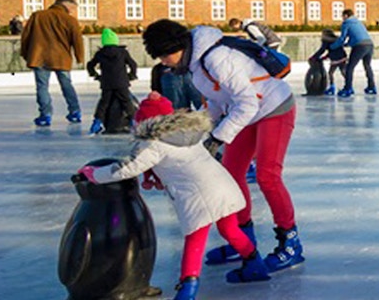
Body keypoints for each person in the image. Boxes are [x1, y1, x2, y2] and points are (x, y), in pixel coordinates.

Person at [142, 19, 305, 275]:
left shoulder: (217, 58)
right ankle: (241, 238)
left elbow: (247, 102)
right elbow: (218, 103)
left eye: (165, 54)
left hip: (274, 107)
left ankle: (291, 242)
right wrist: (199, 133)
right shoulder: (196, 67)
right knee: (231, 174)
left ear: (179, 46)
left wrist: (218, 138)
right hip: (244, 112)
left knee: (267, 176)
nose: (163, 61)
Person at [78, 92, 270, 299]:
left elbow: (128, 168)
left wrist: (95, 175)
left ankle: (187, 289)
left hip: (201, 197)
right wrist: (157, 177)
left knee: (195, 238)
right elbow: (180, 163)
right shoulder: (188, 133)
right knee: (230, 229)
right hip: (223, 186)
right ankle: (255, 264)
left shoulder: (153, 143)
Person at [20, 0, 84, 126]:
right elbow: (77, 40)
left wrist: (26, 53)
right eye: (72, 9)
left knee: (42, 86)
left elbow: (25, 36)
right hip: (61, 58)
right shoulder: (70, 20)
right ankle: (75, 112)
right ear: (67, 6)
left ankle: (45, 115)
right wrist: (79, 57)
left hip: (39, 57)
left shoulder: (37, 16)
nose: (72, 12)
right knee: (67, 85)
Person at [86, 29, 139, 135]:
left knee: (104, 104)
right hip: (121, 83)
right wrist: (131, 75)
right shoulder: (122, 52)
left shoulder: (100, 53)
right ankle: (134, 122)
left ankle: (96, 123)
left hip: (107, 83)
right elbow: (133, 64)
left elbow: (90, 65)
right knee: (126, 102)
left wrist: (95, 75)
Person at [330, 9, 376, 97]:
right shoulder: (359, 23)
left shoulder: (346, 23)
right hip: (369, 44)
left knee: (350, 67)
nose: (342, 18)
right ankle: (372, 87)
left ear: (346, 16)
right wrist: (348, 44)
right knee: (367, 66)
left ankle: (348, 88)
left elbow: (342, 38)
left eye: (342, 16)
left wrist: (333, 46)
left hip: (359, 46)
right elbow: (358, 35)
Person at [309, 29, 348, 95]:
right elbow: (334, 50)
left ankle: (332, 87)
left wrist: (314, 57)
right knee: (343, 71)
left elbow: (322, 50)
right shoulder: (336, 39)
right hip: (342, 57)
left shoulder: (326, 41)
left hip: (335, 59)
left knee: (331, 73)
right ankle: (348, 85)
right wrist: (326, 57)